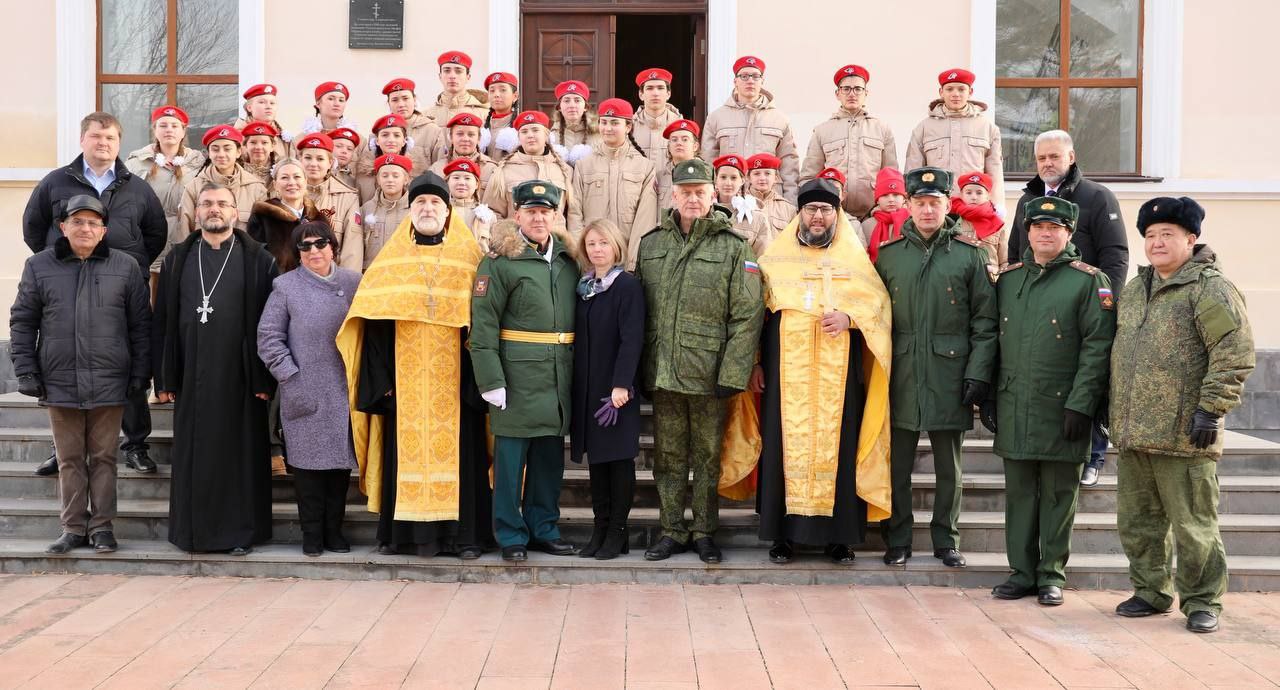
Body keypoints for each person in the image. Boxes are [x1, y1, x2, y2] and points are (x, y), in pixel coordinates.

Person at [1109, 197, 1254, 634]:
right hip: (1135, 432)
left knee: (1194, 528)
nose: (1156, 243)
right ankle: (1151, 591)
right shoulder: (1136, 289)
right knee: (1139, 525)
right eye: (1150, 236)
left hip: (1186, 435)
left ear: (1191, 239)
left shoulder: (1210, 288)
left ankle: (1202, 601)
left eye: (1167, 234)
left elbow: (1233, 354)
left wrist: (1211, 410)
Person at [338, 172, 494, 558]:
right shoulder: (390, 263)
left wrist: (477, 381)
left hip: (457, 386)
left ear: (448, 212)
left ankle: (466, 538)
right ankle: (402, 537)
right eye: (420, 203)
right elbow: (373, 327)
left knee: (464, 460)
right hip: (403, 389)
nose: (427, 209)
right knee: (402, 459)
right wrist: (384, 382)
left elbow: (485, 323)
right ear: (410, 212)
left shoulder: (470, 261)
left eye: (435, 204)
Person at [751, 178, 893, 565]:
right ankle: (782, 536)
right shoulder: (775, 260)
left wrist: (850, 317)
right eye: (811, 209)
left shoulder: (853, 260)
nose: (818, 217)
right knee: (783, 445)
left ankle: (840, 537)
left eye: (826, 210)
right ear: (800, 213)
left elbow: (879, 307)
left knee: (840, 446)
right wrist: (757, 364)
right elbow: (756, 316)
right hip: (786, 374)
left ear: (837, 214)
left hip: (838, 376)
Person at [983, 196, 1115, 606]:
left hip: (1063, 409)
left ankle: (1051, 574)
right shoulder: (1007, 279)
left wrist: (1083, 404)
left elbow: (1097, 347)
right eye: (1038, 227)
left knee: (1059, 495)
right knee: (1020, 494)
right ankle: (1021, 572)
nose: (1045, 233)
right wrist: (987, 393)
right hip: (1014, 404)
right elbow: (990, 338)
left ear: (1069, 234)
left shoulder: (1089, 281)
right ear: (1026, 232)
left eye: (1054, 228)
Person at [634, 158, 764, 564]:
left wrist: (733, 371)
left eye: (700, 192)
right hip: (663, 368)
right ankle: (672, 529)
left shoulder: (733, 246)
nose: (693, 198)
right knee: (668, 457)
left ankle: (705, 531)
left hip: (709, 372)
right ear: (673, 195)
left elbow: (747, 314)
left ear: (714, 196)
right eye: (685, 192)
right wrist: (638, 367)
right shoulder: (652, 243)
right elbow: (638, 310)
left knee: (708, 457)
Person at [23, 111, 166, 477]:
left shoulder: (136, 186)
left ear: (119, 144)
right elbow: (34, 229)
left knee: (129, 361)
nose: (103, 144)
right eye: (96, 136)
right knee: (65, 366)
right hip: (65, 286)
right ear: (83, 140)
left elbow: (155, 233)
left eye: (111, 138)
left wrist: (129, 266)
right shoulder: (55, 183)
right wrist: (60, 262)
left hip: (120, 289)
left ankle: (135, 444)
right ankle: (63, 450)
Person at [11, 195, 150, 555]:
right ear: (63, 227)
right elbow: (23, 321)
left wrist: (140, 373)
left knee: (104, 458)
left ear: (103, 230)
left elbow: (140, 326)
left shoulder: (126, 267)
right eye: (77, 222)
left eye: (92, 223)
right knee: (70, 458)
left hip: (110, 380)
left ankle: (103, 527)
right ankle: (73, 527)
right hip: (59, 380)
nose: (85, 228)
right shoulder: (39, 266)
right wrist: (25, 370)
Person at [874, 167, 998, 568]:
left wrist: (978, 372)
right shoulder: (890, 257)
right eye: (920, 202)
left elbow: (985, 321)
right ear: (908, 205)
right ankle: (898, 538)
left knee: (950, 465)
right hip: (902, 371)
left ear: (948, 204)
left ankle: (947, 538)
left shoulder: (969, 255)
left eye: (935, 202)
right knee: (897, 464)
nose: (927, 209)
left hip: (950, 371)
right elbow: (875, 315)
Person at [153, 182, 279, 555]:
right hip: (193, 375)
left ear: (235, 212)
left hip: (242, 376)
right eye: (207, 203)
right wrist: (164, 376)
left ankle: (240, 534)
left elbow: (271, 323)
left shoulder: (259, 259)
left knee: (239, 456)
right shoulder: (177, 258)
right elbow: (163, 321)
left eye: (222, 204)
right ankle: (192, 533)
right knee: (196, 455)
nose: (214, 210)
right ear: (196, 212)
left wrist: (264, 378)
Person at [1007, 130, 1130, 487]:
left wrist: (1106, 301)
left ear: (1071, 157)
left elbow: (1116, 255)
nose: (1047, 163)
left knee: (1087, 377)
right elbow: (1017, 252)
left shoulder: (1097, 196)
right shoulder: (1027, 198)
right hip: (1038, 306)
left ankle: (1094, 455)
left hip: (1084, 304)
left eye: (1054, 157)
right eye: (1041, 158)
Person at [471, 180, 581, 562]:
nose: (538, 217)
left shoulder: (570, 260)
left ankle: (544, 529)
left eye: (545, 211)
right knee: (510, 464)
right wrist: (490, 379)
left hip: (558, 376)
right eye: (531, 211)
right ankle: (510, 533)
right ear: (516, 215)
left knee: (549, 462)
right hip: (515, 377)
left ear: (555, 215)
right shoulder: (500, 261)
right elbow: (482, 326)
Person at [256, 221, 360, 557]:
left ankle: (334, 532)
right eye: (305, 246)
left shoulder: (354, 282)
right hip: (305, 386)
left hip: (344, 389)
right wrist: (290, 375)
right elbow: (268, 338)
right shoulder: (286, 287)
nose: (314, 251)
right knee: (307, 472)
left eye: (320, 244)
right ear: (297, 252)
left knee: (339, 470)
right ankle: (312, 534)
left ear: (333, 245)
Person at [569, 219, 646, 561]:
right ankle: (599, 529)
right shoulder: (585, 286)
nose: (597, 249)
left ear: (616, 247)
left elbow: (632, 337)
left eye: (603, 243)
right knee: (597, 463)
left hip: (615, 388)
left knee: (618, 462)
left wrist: (622, 384)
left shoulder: (626, 285)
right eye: (591, 244)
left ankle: (617, 531)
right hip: (588, 385)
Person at [125, 106, 207, 299]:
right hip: (149, 241)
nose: (168, 130)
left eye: (174, 125)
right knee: (150, 300)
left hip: (186, 239)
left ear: (183, 131)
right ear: (155, 130)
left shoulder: (199, 162)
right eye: (163, 125)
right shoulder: (136, 163)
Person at [568, 98, 659, 268]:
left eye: (615, 123)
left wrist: (632, 262)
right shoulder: (584, 165)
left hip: (627, 259)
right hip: (592, 262)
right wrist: (582, 258)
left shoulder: (644, 167)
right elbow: (575, 214)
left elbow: (645, 220)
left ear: (628, 127)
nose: (608, 128)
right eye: (604, 122)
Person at [801, 64, 897, 219]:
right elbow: (809, 176)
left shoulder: (881, 129)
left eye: (858, 89)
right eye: (846, 89)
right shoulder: (822, 131)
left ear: (866, 93)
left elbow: (891, 175)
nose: (852, 94)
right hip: (833, 214)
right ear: (837, 94)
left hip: (873, 215)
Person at [703, 56, 799, 203]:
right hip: (729, 199)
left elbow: (789, 165)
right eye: (744, 76)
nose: (750, 81)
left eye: (755, 76)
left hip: (769, 199)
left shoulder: (779, 119)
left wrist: (791, 203)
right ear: (735, 81)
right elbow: (708, 163)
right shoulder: (717, 118)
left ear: (762, 81)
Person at [905, 69, 1005, 208]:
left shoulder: (987, 127)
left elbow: (994, 171)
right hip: (936, 208)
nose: (955, 94)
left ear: (970, 92)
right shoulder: (924, 127)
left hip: (974, 207)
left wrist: (997, 205)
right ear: (941, 92)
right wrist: (912, 206)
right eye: (949, 89)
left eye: (961, 89)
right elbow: (913, 171)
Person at [483, 111, 581, 235]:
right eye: (524, 132)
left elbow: (574, 215)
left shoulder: (565, 171)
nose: (530, 135)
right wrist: (508, 239)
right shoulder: (503, 171)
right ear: (518, 138)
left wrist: (572, 247)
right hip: (518, 246)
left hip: (557, 246)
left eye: (535, 130)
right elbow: (492, 212)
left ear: (546, 136)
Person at [179, 126, 268, 232]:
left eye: (227, 149)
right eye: (215, 149)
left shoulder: (256, 188)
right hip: (204, 248)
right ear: (209, 154)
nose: (221, 154)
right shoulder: (194, 187)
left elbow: (263, 232)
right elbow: (183, 230)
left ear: (238, 152)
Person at [247, 158, 324, 274]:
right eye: (284, 177)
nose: (291, 183)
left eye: (297, 177)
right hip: (275, 287)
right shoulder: (262, 216)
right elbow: (254, 261)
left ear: (305, 181)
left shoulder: (318, 218)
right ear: (275, 184)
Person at [295, 133, 360, 268]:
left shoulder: (348, 197)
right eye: (307, 158)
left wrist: (347, 283)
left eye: (320, 159)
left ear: (330, 163)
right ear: (299, 159)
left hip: (332, 278)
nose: (313, 164)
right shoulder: (282, 192)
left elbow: (352, 249)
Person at [347, 153, 413, 271]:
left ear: (406, 179)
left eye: (396, 175)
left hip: (405, 273)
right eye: (385, 175)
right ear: (378, 179)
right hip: (371, 275)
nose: (390, 180)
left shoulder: (414, 210)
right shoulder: (366, 210)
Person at [353, 114, 428, 204]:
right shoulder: (363, 174)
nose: (391, 140)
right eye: (385, 135)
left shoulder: (418, 174)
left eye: (396, 135)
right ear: (377, 141)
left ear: (404, 141)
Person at [428, 112, 498, 199]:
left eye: (471, 134)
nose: (465, 139)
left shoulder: (491, 170)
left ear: (479, 138)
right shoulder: (437, 169)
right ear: (451, 137)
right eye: (460, 134)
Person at [950, 171, 1006, 277]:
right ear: (961, 195)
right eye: (968, 192)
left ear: (987, 196)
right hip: (960, 279)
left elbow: (1004, 261)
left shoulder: (996, 223)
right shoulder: (953, 220)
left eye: (979, 193)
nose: (974, 197)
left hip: (990, 281)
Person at [381, 77, 445, 166]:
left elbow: (440, 166)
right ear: (389, 104)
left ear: (414, 100)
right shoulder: (379, 132)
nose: (401, 104)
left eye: (405, 98)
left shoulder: (432, 131)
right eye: (395, 100)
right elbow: (367, 169)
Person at [742, 153, 797, 255]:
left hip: (777, 265)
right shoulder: (739, 204)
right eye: (756, 174)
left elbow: (793, 244)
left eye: (767, 173)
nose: (762, 178)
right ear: (748, 177)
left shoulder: (789, 209)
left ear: (776, 178)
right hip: (746, 265)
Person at [441, 157, 496, 253]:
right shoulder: (439, 212)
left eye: (467, 178)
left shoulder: (487, 215)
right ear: (447, 183)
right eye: (456, 178)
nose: (461, 183)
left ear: (476, 185)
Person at [422, 50, 489, 125]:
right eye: (447, 71)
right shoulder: (425, 117)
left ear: (468, 77)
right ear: (440, 76)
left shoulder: (485, 116)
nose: (452, 76)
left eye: (458, 71)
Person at [633, 67, 683, 165]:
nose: (655, 93)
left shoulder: (680, 127)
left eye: (660, 88)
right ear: (641, 94)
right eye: (649, 88)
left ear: (668, 94)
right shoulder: (630, 127)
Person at [233, 83, 291, 160]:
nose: (268, 106)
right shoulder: (237, 136)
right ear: (249, 107)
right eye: (262, 102)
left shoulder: (283, 137)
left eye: (272, 103)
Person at [862, 167, 908, 262]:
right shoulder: (867, 225)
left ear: (904, 198)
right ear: (877, 200)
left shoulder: (912, 221)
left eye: (896, 195)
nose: (891, 199)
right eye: (885, 195)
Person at [550, 80, 600, 165]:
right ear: (559, 107)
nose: (572, 105)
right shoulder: (551, 137)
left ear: (585, 107)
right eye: (566, 101)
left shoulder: (599, 134)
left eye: (577, 100)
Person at [657, 119, 702, 211]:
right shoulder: (659, 177)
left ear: (695, 146)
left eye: (685, 139)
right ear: (669, 146)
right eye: (674, 140)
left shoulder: (706, 174)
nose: (679, 143)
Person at [481, 71, 520, 163]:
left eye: (503, 90)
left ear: (515, 96)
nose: (496, 95)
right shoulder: (480, 127)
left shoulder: (522, 128)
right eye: (492, 91)